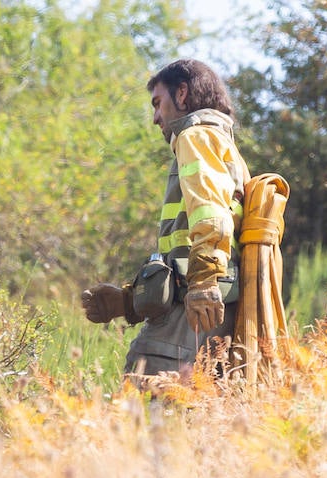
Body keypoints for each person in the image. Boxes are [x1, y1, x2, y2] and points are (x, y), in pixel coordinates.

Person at [80, 59, 249, 376]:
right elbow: (186, 245)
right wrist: (130, 302)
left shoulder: (196, 136)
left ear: (182, 94)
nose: (155, 118)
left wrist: (202, 282)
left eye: (158, 104)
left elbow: (211, 214)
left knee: (148, 396)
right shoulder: (220, 144)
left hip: (192, 312)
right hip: (202, 309)